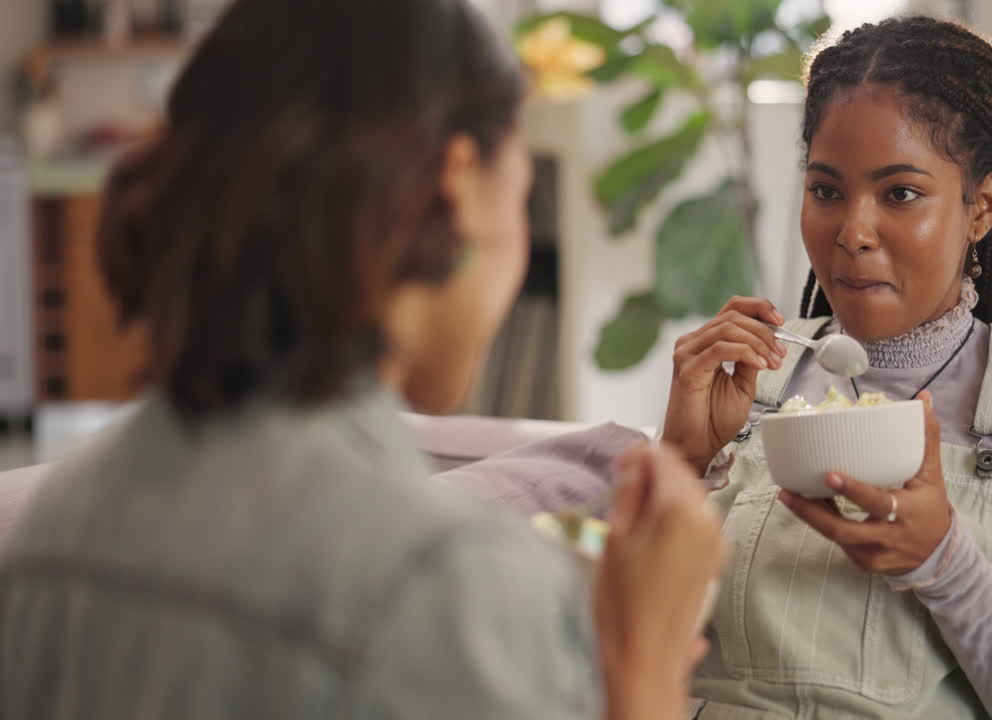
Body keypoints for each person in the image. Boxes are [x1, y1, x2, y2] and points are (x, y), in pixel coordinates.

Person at [0, 1, 722, 718]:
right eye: (520, 194)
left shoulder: (50, 532)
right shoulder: (444, 582)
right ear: (459, 183)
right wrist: (642, 672)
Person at [662, 16, 992, 720]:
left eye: (899, 194)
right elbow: (613, 651)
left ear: (980, 205)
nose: (852, 233)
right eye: (826, 190)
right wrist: (680, 462)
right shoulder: (749, 377)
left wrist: (944, 563)